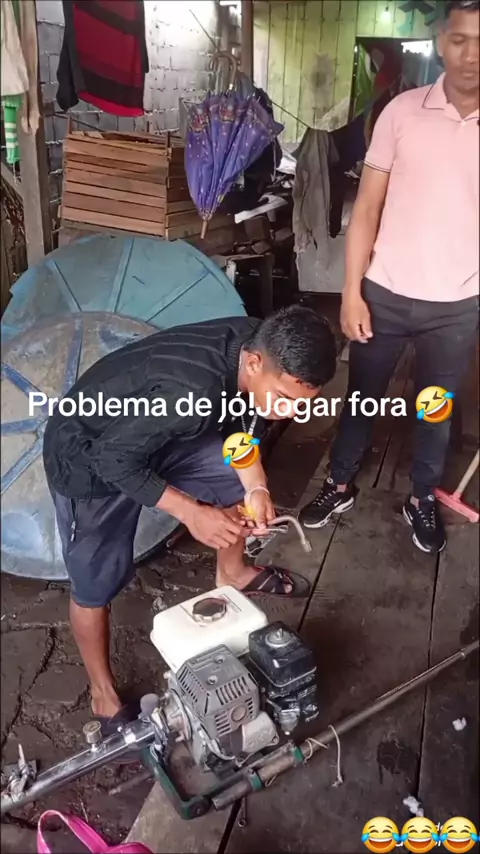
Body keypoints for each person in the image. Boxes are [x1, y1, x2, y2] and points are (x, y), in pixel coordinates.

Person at [43, 306, 336, 730]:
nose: (291, 412)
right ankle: (102, 695)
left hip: (158, 433)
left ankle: (233, 573)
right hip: (90, 459)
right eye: (285, 399)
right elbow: (113, 459)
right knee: (94, 581)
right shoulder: (193, 393)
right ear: (255, 364)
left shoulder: (258, 344)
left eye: (303, 404)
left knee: (234, 479)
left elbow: (241, 430)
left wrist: (256, 488)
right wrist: (193, 513)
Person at [300, 0, 479, 554]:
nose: (471, 54)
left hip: (458, 304)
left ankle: (421, 497)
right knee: (362, 398)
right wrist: (351, 290)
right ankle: (339, 484)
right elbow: (368, 208)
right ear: (442, 42)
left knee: (436, 408)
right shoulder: (401, 112)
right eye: (460, 39)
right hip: (385, 294)